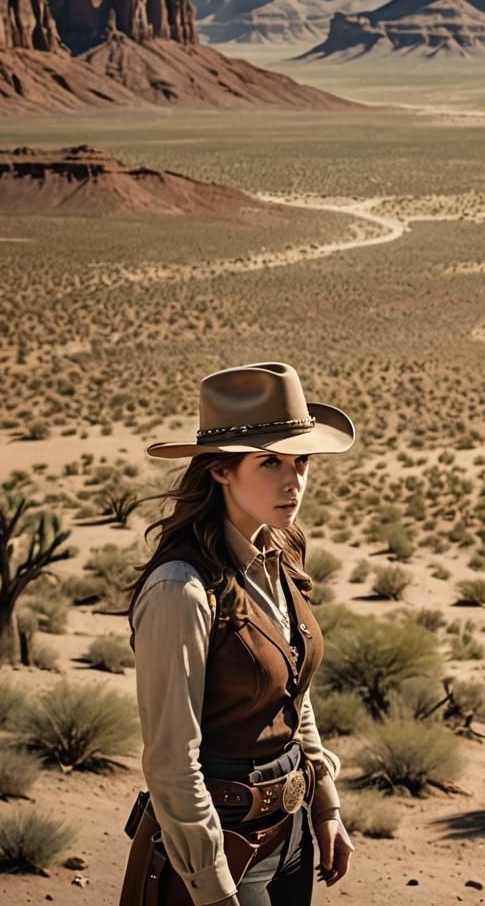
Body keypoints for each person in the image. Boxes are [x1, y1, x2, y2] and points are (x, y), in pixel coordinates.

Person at [119, 362, 356, 906]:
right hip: (220, 848)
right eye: (269, 461)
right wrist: (211, 887)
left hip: (291, 833)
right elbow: (171, 759)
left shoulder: (282, 548)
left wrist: (325, 805)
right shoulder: (181, 588)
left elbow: (295, 692)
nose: (292, 481)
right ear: (221, 470)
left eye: (301, 461)